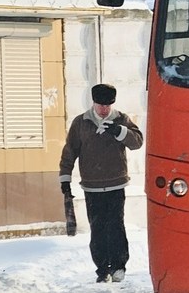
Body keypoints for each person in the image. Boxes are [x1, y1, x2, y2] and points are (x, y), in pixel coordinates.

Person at [59, 83, 143, 283]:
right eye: (101, 105)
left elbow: (137, 142)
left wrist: (119, 131)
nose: (104, 109)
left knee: (116, 226)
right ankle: (102, 269)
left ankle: (118, 266)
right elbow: (69, 152)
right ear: (94, 103)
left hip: (116, 184)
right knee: (97, 228)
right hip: (92, 186)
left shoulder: (121, 119)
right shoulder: (81, 122)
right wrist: (65, 179)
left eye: (108, 105)